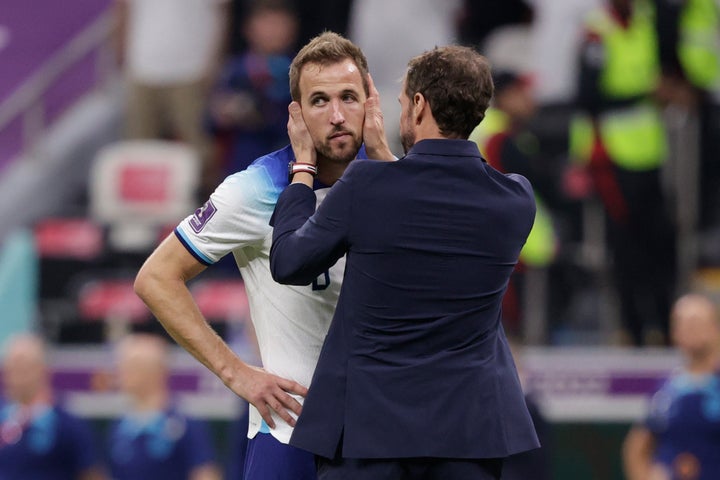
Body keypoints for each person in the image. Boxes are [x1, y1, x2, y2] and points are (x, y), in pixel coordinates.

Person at [270, 45, 540, 479]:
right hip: (468, 437)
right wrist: (385, 160)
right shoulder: (515, 199)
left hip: (366, 434)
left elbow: (289, 261)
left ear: (419, 105)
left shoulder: (365, 188)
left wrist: (302, 167)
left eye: (400, 104)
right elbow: (427, 205)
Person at [134, 31, 392, 480]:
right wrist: (236, 374)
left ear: (370, 101)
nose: (336, 115)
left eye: (349, 97)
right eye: (319, 101)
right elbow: (155, 278)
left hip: (382, 435)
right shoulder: (254, 189)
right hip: (288, 436)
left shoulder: (396, 184)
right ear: (296, 113)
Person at [569, 0, 677, 346]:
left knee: (660, 244)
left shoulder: (646, 21)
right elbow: (588, 97)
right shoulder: (597, 31)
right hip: (611, 156)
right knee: (626, 249)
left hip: (649, 153)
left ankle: (664, 325)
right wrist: (647, 95)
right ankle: (632, 329)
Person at [114, 0, 229, 194]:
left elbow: (222, 13)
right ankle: (144, 203)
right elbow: (123, 9)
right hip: (142, 67)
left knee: (198, 146)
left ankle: (208, 206)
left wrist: (214, 63)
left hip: (191, 69)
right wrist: (121, 52)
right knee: (139, 146)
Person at [622, 293, 720, 480]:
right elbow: (637, 448)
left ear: (714, 328)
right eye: (682, 323)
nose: (690, 330)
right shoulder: (667, 389)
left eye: (696, 322)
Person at [107, 333, 221, 480]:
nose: (121, 374)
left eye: (131, 367)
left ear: (154, 371)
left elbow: (205, 473)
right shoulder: (120, 427)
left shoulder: (186, 425)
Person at [205, 0, 299, 177]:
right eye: (265, 24)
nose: (271, 31)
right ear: (249, 29)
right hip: (239, 170)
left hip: (285, 171)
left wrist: (260, 113)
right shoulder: (233, 70)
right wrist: (220, 114)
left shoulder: (302, 73)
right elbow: (207, 123)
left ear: (292, 29)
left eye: (278, 24)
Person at [0, 333, 107, 480]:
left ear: (44, 370)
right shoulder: (4, 419)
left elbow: (91, 473)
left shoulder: (68, 425)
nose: (17, 375)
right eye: (12, 367)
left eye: (24, 367)